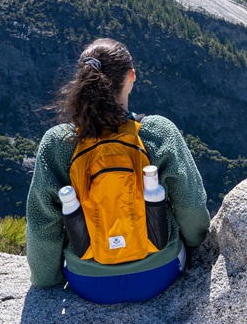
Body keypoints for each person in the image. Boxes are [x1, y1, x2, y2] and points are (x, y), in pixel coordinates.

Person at [25, 38, 210, 304]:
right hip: (158, 274)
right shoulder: (156, 131)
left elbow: (43, 221)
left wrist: (45, 280)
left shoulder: (59, 142)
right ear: (131, 76)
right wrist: (197, 245)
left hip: (88, 282)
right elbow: (191, 209)